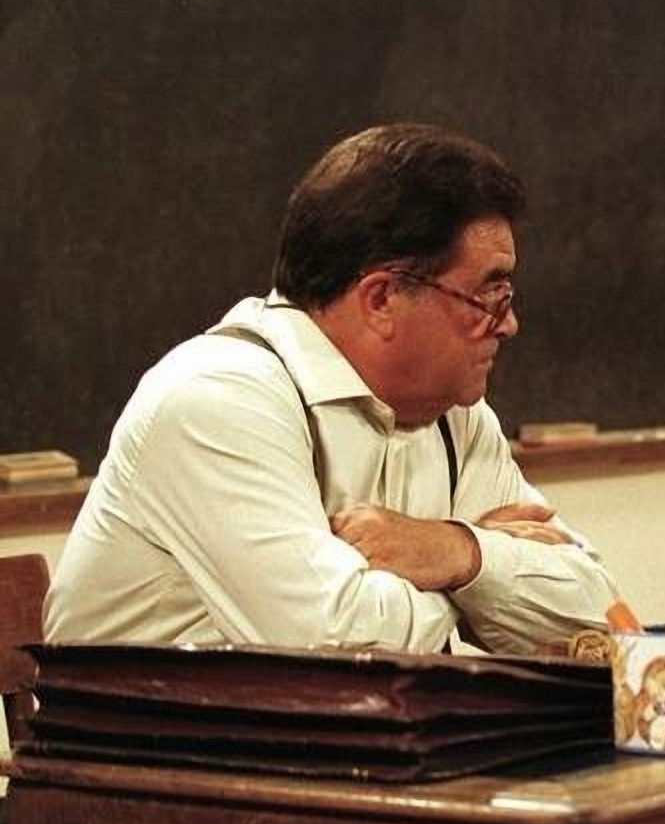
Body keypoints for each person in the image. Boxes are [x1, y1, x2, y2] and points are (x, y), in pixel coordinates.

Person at [45, 123, 618, 655]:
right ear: (382, 299)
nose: (509, 323)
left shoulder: (453, 416)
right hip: (152, 733)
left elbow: (601, 621)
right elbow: (333, 647)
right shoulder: (219, 399)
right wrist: (470, 583)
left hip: (345, 730)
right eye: (488, 296)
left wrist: (459, 551)